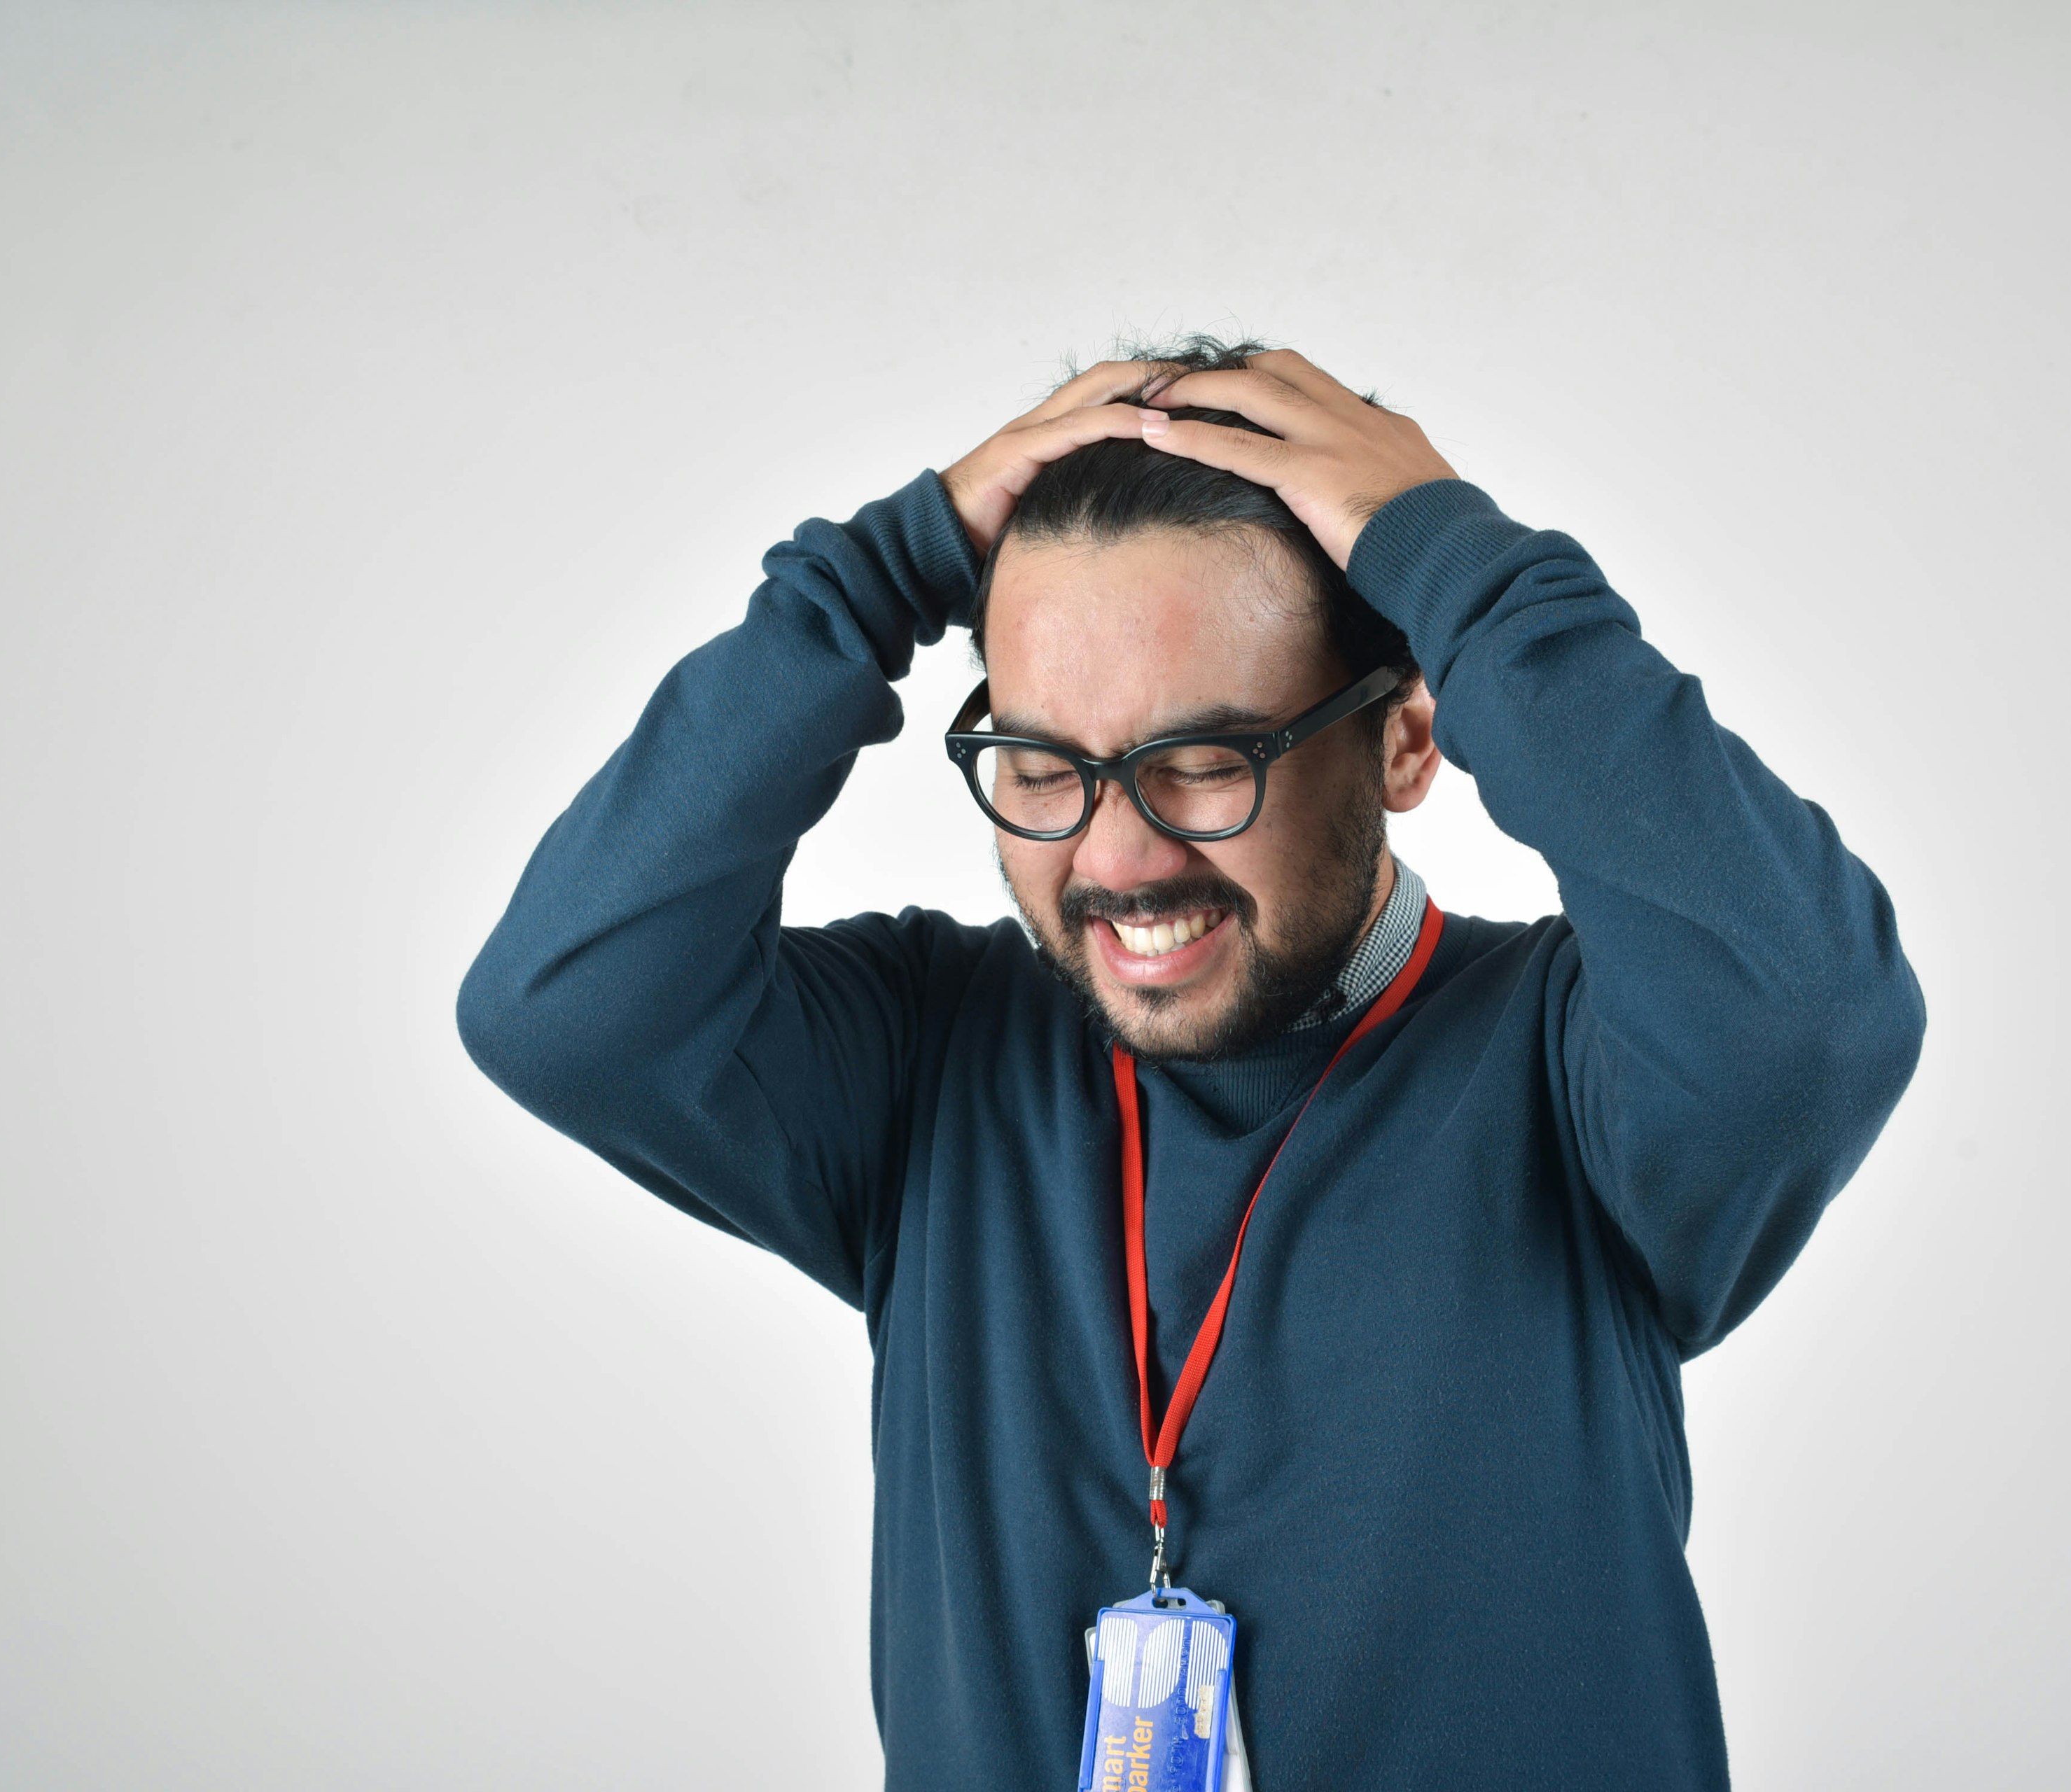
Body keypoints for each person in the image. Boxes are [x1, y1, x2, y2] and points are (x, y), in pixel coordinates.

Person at [457, 338, 1926, 1790]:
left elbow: (1811, 1013)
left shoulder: (1579, 1059)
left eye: (1207, 760)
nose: (1117, 856)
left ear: (1408, 734)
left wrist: (1470, 574)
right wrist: (874, 575)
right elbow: (564, 1002)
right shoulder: (926, 1061)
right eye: (1041, 766)